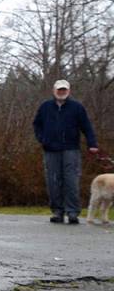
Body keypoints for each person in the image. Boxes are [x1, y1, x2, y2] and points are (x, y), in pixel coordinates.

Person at [32, 79, 100, 224]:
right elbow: (37, 125)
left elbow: (86, 126)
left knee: (71, 180)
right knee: (53, 181)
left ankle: (72, 212)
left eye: (64, 90)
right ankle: (57, 211)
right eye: (59, 90)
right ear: (54, 91)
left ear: (68, 91)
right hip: (50, 149)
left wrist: (92, 143)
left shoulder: (77, 107)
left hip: (71, 149)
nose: (61, 92)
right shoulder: (45, 107)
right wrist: (43, 139)